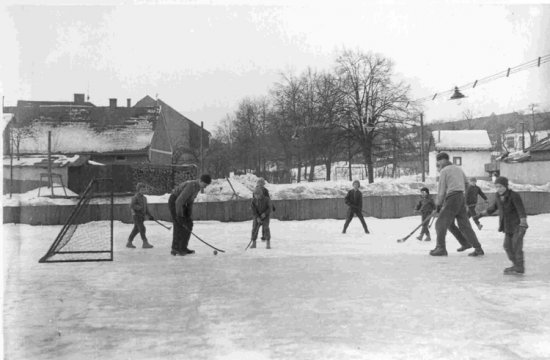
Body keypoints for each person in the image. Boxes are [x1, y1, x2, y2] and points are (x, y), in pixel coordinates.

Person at [431, 152, 484, 257]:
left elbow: (441, 191)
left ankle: (441, 248)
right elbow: (467, 184)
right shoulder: (458, 169)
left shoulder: (444, 171)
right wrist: (460, 192)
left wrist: (438, 205)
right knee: (462, 225)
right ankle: (476, 247)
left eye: (438, 161)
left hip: (452, 198)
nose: (438, 164)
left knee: (440, 224)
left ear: (441, 160)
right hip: (460, 198)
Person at [474, 176, 527, 274]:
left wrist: (523, 222)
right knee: (507, 246)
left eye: (500, 187)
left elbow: (521, 210)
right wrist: (480, 215)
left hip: (518, 226)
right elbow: (493, 208)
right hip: (507, 226)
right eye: (497, 187)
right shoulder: (498, 196)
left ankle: (519, 267)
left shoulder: (514, 196)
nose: (499, 189)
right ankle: (516, 265)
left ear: (506, 186)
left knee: (516, 246)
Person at [168, 174, 212, 256]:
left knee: (189, 224)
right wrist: (179, 216)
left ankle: (183, 247)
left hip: (182, 203)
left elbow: (190, 201)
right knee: (179, 224)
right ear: (200, 181)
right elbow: (178, 201)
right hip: (174, 201)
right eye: (205, 184)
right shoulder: (191, 186)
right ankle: (175, 248)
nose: (205, 187)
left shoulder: (198, 187)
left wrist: (188, 213)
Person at [127, 182, 154, 249]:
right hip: (136, 216)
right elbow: (131, 205)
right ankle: (145, 243)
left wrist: (150, 215)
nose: (143, 191)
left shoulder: (145, 198)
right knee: (142, 228)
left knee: (136, 229)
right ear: (138, 190)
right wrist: (138, 207)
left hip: (142, 216)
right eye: (142, 190)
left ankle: (129, 242)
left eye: (144, 190)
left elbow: (146, 208)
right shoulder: (135, 197)